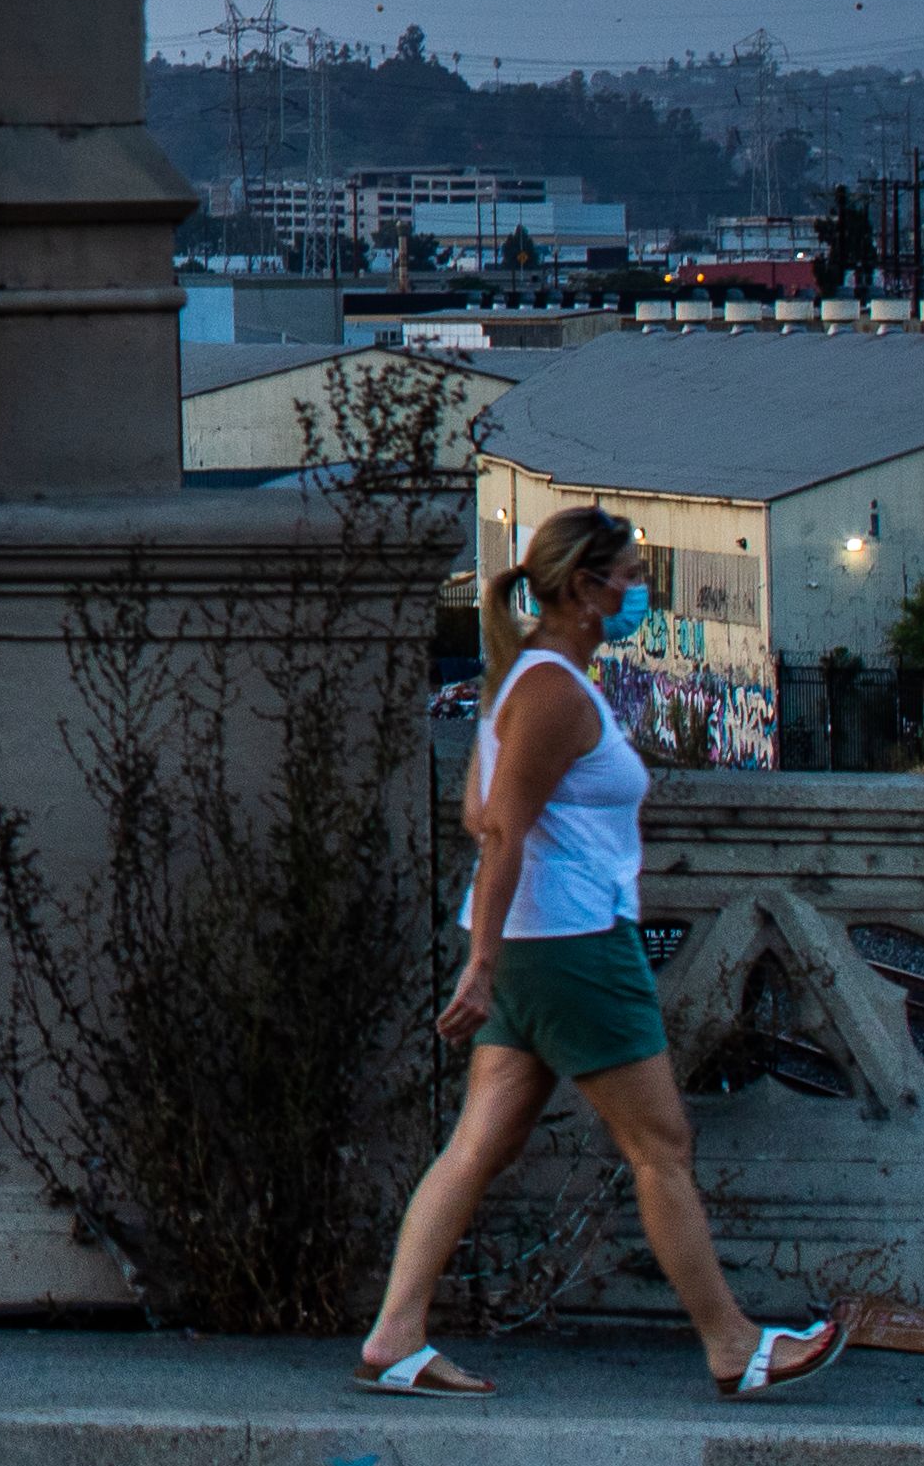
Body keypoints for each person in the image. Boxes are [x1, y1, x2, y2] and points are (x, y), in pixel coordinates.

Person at [351, 503, 836, 1399]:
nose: (637, 591)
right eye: (628, 576)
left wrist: (497, 949)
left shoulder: (528, 680)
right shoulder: (553, 692)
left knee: (477, 1146)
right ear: (585, 587)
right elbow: (497, 834)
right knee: (663, 1145)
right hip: (574, 946)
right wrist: (484, 963)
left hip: (539, 947)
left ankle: (395, 1334)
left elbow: (479, 813)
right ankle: (733, 1344)